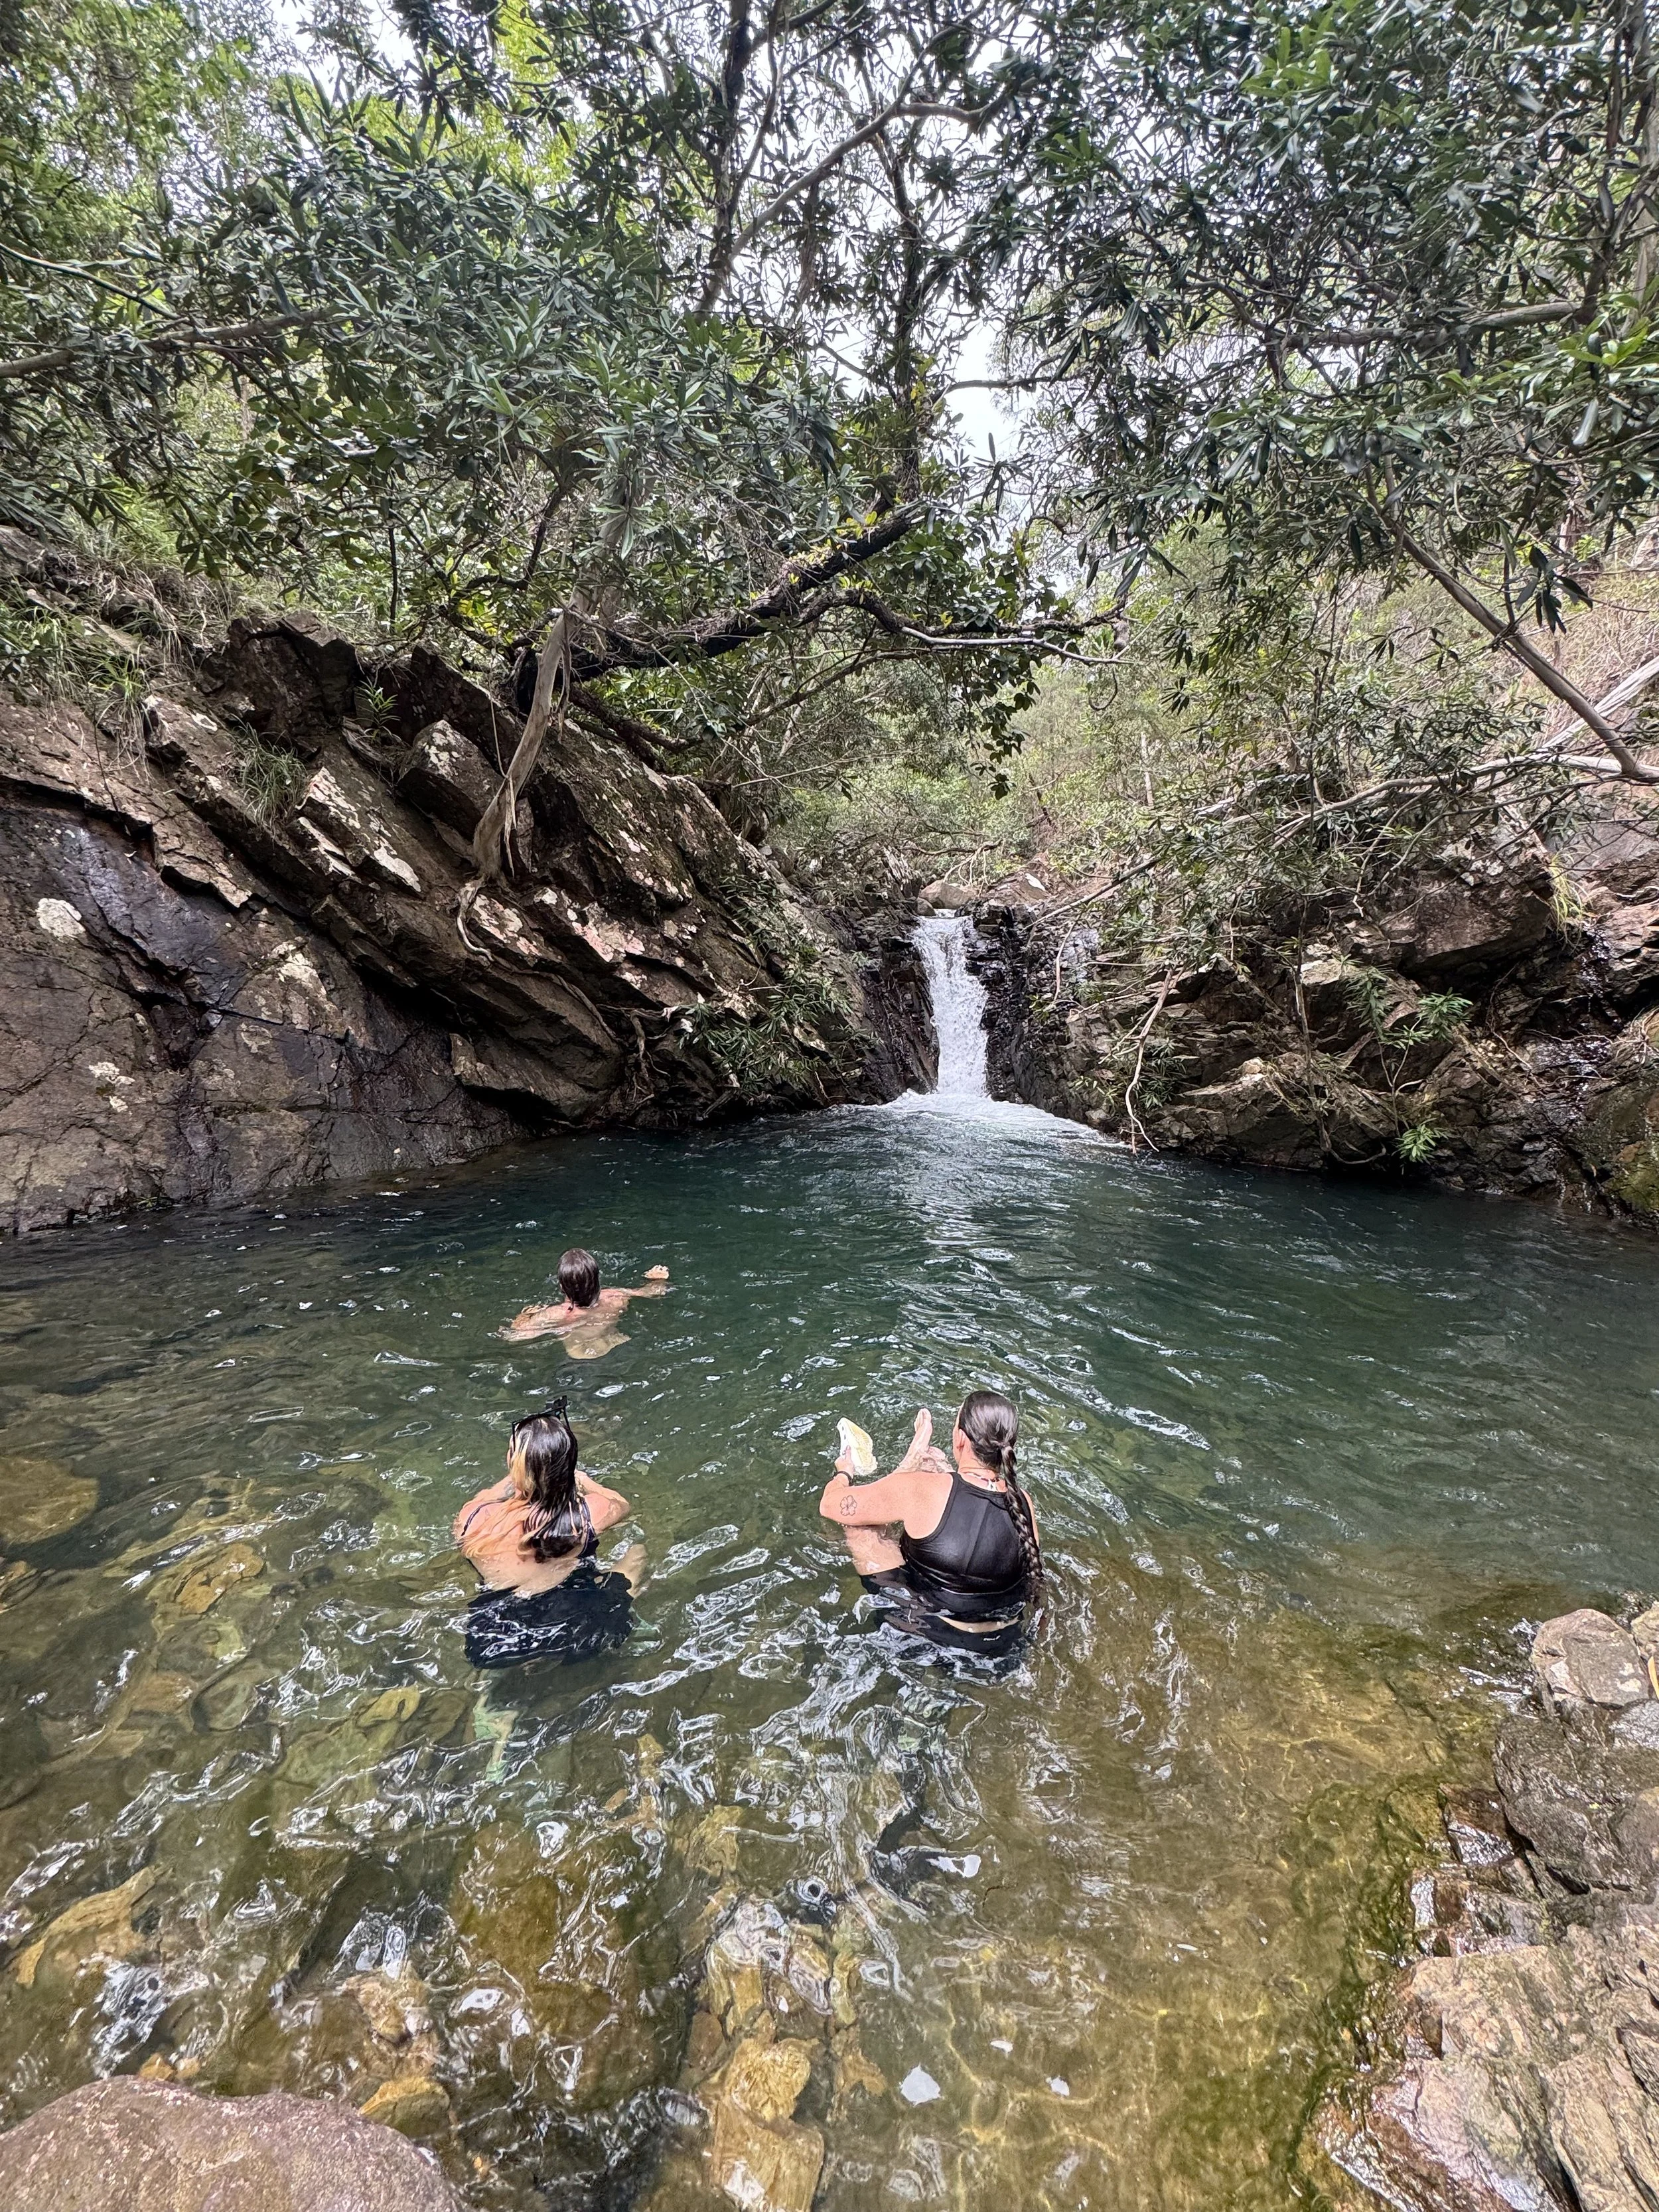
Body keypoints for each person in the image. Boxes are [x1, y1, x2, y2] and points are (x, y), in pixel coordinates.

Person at [817, 1389, 1042, 1654]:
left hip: (926, 1635)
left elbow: (831, 1506)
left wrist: (845, 1470)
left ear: (960, 1438)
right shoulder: (1024, 1502)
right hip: (1004, 1642)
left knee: (861, 1526)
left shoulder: (925, 1489)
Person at [454, 1398, 646, 1667]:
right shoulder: (588, 1513)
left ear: (512, 1460)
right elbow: (623, 1505)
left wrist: (520, 1474)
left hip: (493, 1635)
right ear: (568, 1465)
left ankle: (523, 1670)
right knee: (638, 1552)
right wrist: (583, 1480)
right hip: (573, 1621)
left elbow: (488, 1496)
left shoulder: (472, 1517)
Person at [500, 1248, 670, 1355]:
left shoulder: (558, 1313)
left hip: (582, 1355)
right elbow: (651, 1292)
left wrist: (525, 1315)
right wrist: (657, 1281)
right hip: (616, 1344)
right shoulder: (616, 1296)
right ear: (597, 1279)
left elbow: (514, 1336)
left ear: (561, 1286)